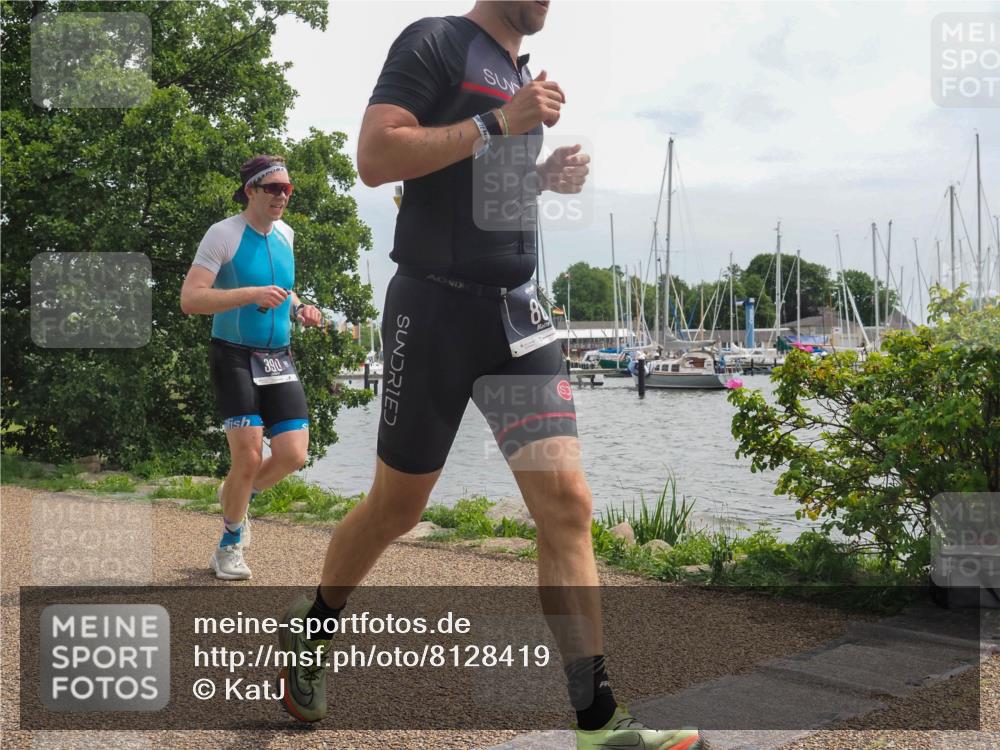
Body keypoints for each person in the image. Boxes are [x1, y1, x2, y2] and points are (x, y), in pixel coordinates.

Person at [276, 4, 705, 749]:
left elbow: (478, 191)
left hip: (516, 317)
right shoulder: (435, 41)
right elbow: (376, 157)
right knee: (396, 509)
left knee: (567, 504)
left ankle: (597, 722)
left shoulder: (519, 73)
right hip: (433, 310)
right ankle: (312, 631)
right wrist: (498, 124)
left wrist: (539, 178)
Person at [180, 155, 324, 580]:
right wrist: (249, 295)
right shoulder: (222, 234)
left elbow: (285, 290)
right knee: (247, 455)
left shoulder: (287, 234)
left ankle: (236, 497)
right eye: (273, 188)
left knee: (294, 454)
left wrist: (301, 309)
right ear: (251, 191)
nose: (282, 196)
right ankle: (229, 543)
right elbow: (191, 299)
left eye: (287, 189)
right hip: (234, 354)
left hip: (278, 355)